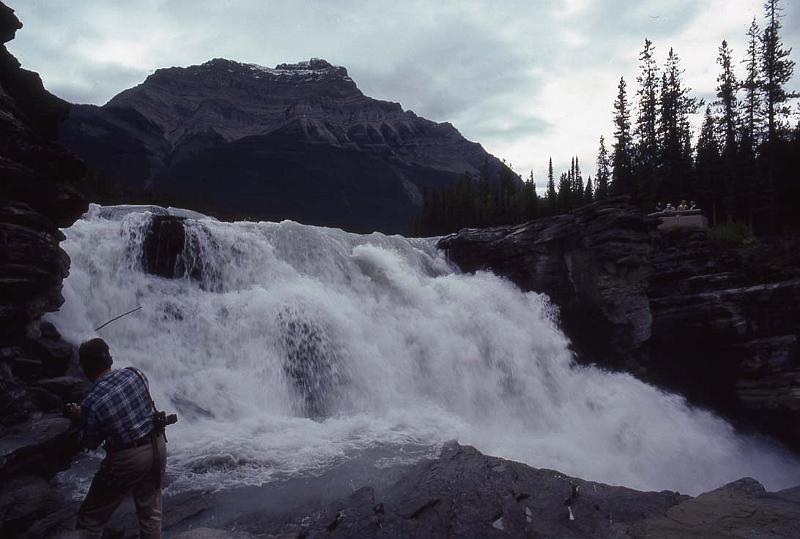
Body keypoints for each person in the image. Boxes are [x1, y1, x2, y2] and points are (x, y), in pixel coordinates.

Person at [65, 338, 167, 539]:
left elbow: (89, 443)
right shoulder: (135, 374)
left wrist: (81, 416)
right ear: (110, 360)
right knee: (150, 513)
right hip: (157, 445)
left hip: (128, 458)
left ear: (85, 368)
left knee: (90, 519)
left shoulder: (92, 403)